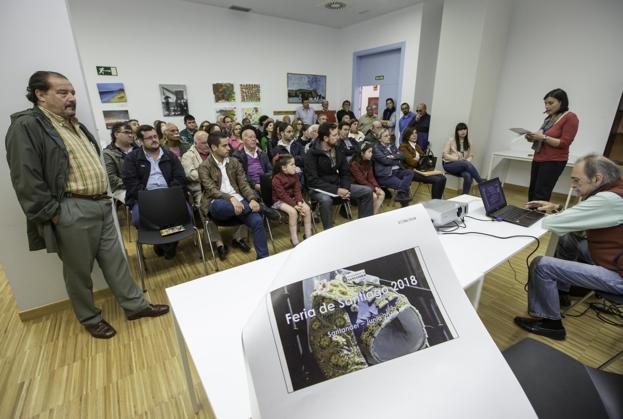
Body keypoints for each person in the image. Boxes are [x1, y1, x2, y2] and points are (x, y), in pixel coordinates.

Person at [5, 71, 168, 339]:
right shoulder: (27, 126)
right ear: (40, 95)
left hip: (101, 205)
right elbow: (25, 177)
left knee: (116, 262)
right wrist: (53, 215)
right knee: (78, 271)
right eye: (62, 92)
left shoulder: (74, 125)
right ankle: (90, 318)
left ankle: (135, 306)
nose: (71, 98)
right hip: (71, 209)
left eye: (72, 93)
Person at [514, 155, 623, 341]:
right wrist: (556, 208)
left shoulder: (609, 199)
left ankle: (551, 323)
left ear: (597, 179)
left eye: (576, 180)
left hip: (618, 276)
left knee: (541, 265)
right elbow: (580, 220)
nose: (572, 185)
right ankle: (562, 292)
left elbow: (553, 224)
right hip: (614, 258)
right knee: (568, 238)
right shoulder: (616, 190)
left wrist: (517, 218)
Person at [199, 131, 271, 259]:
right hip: (217, 203)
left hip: (240, 204)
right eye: (224, 146)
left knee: (258, 221)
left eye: (228, 145)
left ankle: (263, 258)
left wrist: (252, 199)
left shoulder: (234, 162)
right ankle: (263, 208)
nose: (229, 148)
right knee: (222, 206)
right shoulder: (204, 167)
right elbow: (211, 190)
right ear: (214, 147)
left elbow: (243, 184)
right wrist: (230, 198)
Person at [123, 125, 188, 260]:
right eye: (149, 138)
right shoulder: (132, 158)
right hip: (145, 199)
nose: (154, 140)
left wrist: (169, 195)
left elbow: (180, 178)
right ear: (140, 141)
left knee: (186, 215)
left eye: (155, 137)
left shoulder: (169, 155)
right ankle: (167, 244)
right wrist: (151, 198)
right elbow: (131, 184)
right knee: (139, 219)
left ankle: (165, 242)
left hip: (171, 197)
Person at [304, 123, 374, 229]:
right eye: (335, 135)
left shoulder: (337, 149)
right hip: (318, 189)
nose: (338, 137)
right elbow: (312, 180)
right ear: (325, 138)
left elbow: (345, 172)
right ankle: (329, 232)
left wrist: (345, 188)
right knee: (326, 200)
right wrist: (336, 190)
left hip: (337, 185)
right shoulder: (311, 154)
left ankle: (365, 227)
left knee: (367, 191)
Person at [525, 88, 579, 201]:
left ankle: (536, 217)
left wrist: (543, 137)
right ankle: (528, 215)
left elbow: (564, 143)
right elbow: (541, 137)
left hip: (553, 161)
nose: (547, 106)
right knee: (533, 191)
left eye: (550, 103)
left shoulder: (570, 117)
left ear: (561, 102)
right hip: (539, 158)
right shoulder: (550, 118)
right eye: (545, 103)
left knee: (541, 193)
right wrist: (531, 137)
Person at [272, 155, 312, 246]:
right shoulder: (276, 179)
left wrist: (299, 202)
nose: (295, 167)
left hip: (293, 199)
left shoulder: (295, 175)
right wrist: (295, 206)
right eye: (292, 164)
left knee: (307, 209)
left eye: (295, 164)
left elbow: (297, 190)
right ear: (284, 168)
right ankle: (294, 240)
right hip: (279, 200)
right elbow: (282, 195)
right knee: (293, 212)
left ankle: (308, 236)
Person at [399, 126, 447, 200]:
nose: (415, 135)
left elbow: (425, 159)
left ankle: (437, 200)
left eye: (415, 133)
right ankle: (435, 202)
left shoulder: (417, 146)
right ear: (407, 135)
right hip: (411, 171)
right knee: (437, 180)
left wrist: (419, 160)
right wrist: (420, 161)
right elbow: (411, 162)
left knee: (443, 178)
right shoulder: (403, 147)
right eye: (412, 134)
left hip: (421, 170)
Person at [373, 128, 414, 206]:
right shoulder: (376, 148)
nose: (389, 137)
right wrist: (396, 158)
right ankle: (406, 208)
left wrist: (392, 156)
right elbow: (385, 161)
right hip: (385, 175)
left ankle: (400, 195)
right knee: (404, 186)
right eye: (386, 136)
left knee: (410, 172)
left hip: (397, 171)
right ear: (379, 139)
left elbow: (402, 155)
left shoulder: (392, 145)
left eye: (389, 135)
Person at [442, 123, 485, 195]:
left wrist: (466, 161)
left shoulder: (469, 141)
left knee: (468, 175)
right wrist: (458, 159)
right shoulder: (451, 140)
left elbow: (471, 155)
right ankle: (481, 182)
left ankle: (464, 196)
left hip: (462, 166)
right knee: (465, 163)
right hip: (449, 165)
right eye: (460, 130)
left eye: (465, 129)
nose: (463, 131)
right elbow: (444, 155)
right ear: (457, 131)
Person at [103, 122, 137, 203]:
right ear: (116, 134)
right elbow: (111, 179)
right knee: (139, 200)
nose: (130, 135)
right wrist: (134, 185)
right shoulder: (107, 153)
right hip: (121, 189)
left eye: (131, 133)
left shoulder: (139, 150)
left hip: (142, 186)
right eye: (126, 132)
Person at [350, 143, 385, 214]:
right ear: (362, 153)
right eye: (369, 152)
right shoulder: (354, 164)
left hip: (368, 186)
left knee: (382, 194)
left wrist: (376, 186)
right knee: (374, 196)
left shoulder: (368, 162)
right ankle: (369, 217)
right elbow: (361, 180)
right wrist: (374, 188)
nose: (371, 154)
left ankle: (374, 215)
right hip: (357, 186)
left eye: (371, 152)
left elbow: (371, 177)